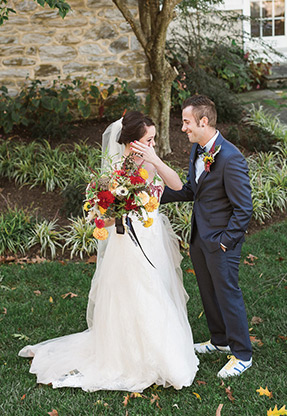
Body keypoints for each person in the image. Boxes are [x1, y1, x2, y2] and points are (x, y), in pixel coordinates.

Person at [19, 111, 198, 392]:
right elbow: (105, 213)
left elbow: (177, 185)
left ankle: (161, 348)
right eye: (148, 140)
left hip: (151, 238)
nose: (153, 144)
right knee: (133, 292)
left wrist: (154, 160)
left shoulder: (152, 162)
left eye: (153, 139)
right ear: (131, 142)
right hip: (126, 241)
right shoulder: (115, 172)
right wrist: (107, 210)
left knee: (157, 288)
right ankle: (128, 353)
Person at [161, 95, 253, 379]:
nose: (183, 128)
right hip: (200, 237)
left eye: (186, 122)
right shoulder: (198, 149)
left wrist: (226, 241)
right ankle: (219, 340)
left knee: (227, 294)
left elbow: (244, 208)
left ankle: (242, 354)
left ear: (204, 121)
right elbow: (192, 189)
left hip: (221, 242)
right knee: (208, 291)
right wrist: (153, 196)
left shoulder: (230, 158)